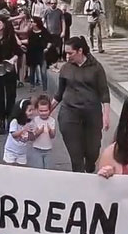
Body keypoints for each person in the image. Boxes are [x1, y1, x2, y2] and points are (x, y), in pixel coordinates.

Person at [51, 37, 111, 173]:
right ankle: (79, 182)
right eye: (65, 53)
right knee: (75, 155)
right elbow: (59, 94)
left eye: (70, 53)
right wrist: (46, 111)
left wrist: (106, 115)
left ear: (80, 51)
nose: (67, 56)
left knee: (92, 150)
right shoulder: (66, 68)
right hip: (69, 114)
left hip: (91, 114)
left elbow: (104, 93)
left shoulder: (96, 68)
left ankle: (90, 165)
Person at [26, 94, 57, 169]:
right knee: (38, 169)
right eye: (41, 111)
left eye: (46, 110)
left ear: (49, 110)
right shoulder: (35, 120)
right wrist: (38, 132)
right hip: (37, 149)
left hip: (48, 149)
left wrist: (50, 131)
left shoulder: (52, 121)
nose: (43, 113)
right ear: (37, 110)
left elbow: (53, 136)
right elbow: (31, 137)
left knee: (48, 169)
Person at [3, 98, 34, 166]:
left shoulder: (30, 123)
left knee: (21, 169)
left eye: (32, 110)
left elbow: (32, 137)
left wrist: (32, 133)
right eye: (29, 110)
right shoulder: (15, 122)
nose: (32, 112)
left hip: (22, 152)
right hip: (11, 151)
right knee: (9, 168)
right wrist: (23, 130)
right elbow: (14, 134)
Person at [26, 17, 53, 92]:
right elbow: (28, 41)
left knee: (43, 72)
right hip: (32, 53)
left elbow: (50, 40)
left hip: (41, 53)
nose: (31, 23)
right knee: (32, 71)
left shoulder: (44, 31)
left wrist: (47, 48)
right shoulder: (30, 32)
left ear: (36, 23)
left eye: (32, 22)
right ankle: (32, 86)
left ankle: (45, 89)